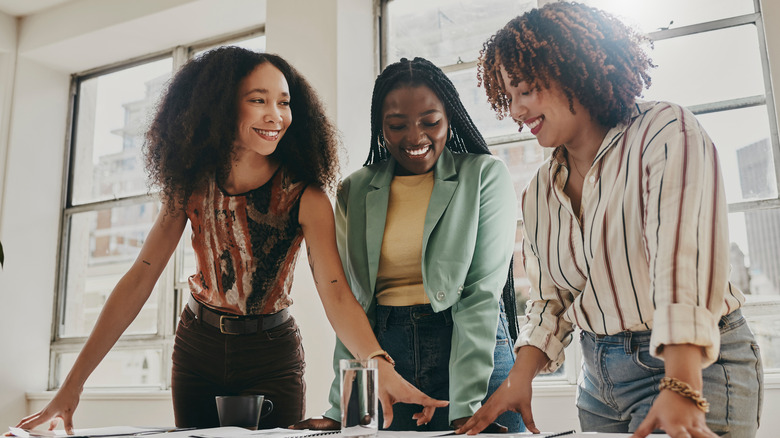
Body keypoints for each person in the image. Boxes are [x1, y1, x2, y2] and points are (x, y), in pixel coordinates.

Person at [14, 47, 446, 433]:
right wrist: (71, 389)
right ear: (220, 107)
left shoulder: (307, 196)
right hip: (197, 347)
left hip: (271, 354)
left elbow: (335, 292)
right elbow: (139, 280)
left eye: (284, 102)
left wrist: (378, 364)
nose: (275, 114)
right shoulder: (190, 187)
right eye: (258, 100)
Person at [456, 3, 764, 438]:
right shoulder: (540, 190)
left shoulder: (665, 132)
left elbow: (684, 268)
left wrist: (682, 383)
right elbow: (551, 302)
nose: (516, 112)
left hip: (693, 364)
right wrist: (517, 380)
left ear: (571, 69)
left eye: (525, 90)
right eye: (508, 97)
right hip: (598, 382)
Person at [294, 57, 524, 433]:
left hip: (471, 352)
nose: (415, 137)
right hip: (387, 358)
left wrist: (465, 405)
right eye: (397, 125)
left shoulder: (484, 175)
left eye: (430, 122)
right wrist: (341, 408)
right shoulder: (356, 189)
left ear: (449, 118)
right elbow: (353, 305)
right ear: (380, 128)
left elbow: (480, 295)